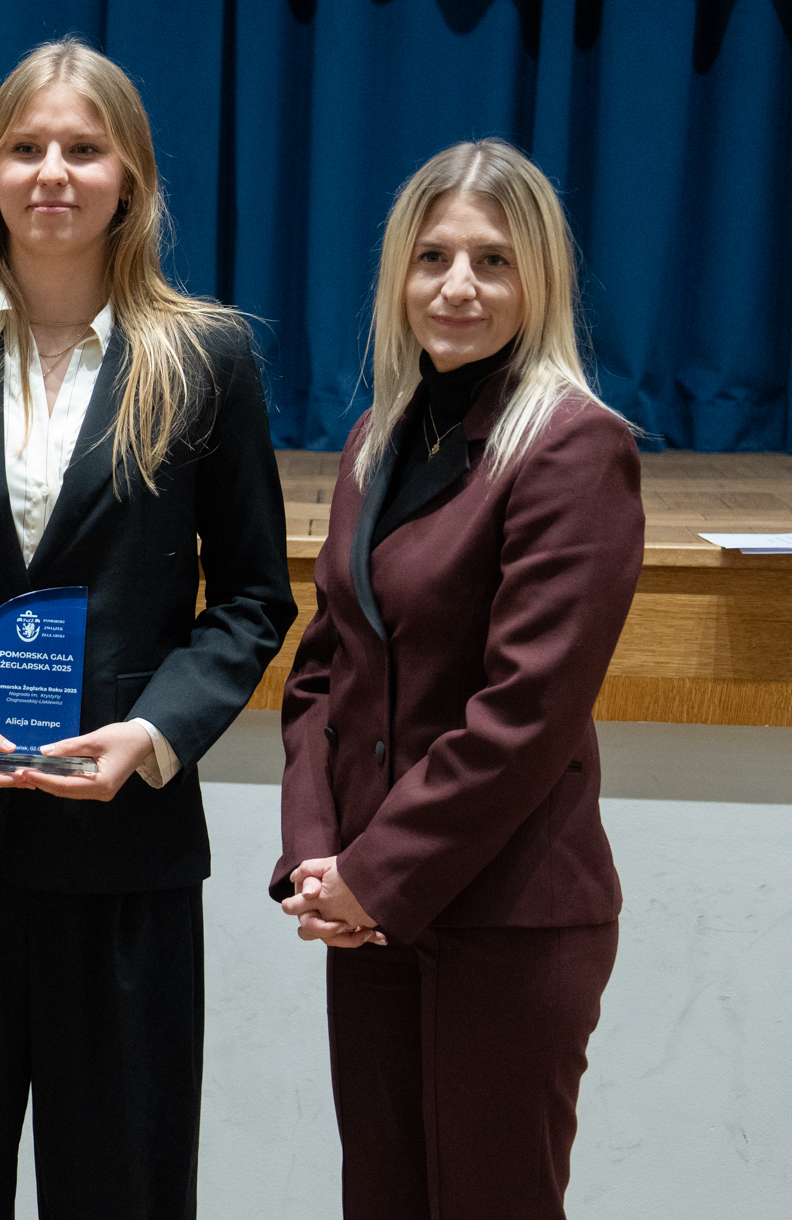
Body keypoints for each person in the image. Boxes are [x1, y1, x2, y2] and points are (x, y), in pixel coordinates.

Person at [0, 37, 295, 1219]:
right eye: (25, 148)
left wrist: (154, 735)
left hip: (118, 850)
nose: (52, 173)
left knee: (120, 1185)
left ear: (128, 173)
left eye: (82, 148)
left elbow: (249, 599)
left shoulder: (205, 358)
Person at [272, 139, 643, 1219]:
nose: (457, 287)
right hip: (371, 913)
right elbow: (321, 675)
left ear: (538, 282)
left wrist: (375, 872)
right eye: (431, 258)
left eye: (491, 261)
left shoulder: (574, 448)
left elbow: (522, 712)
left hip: (508, 914)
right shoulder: (369, 444)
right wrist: (314, 858)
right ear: (397, 276)